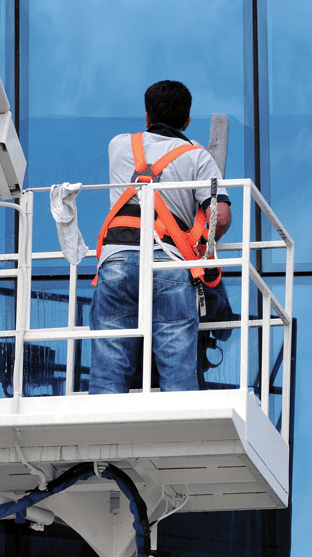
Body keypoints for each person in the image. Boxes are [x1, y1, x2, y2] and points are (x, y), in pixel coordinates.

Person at [89, 80, 231, 394]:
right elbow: (219, 217)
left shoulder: (119, 145)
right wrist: (199, 244)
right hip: (169, 265)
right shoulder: (197, 156)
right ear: (187, 120)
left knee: (107, 377)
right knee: (178, 375)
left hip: (117, 264)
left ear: (146, 116)